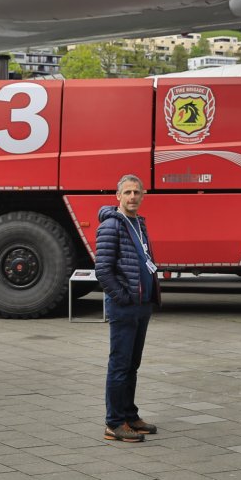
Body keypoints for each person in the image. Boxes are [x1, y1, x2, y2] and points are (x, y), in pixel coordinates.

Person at [94, 175, 161, 443]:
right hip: (125, 306)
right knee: (120, 365)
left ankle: (129, 415)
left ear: (143, 195)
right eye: (128, 192)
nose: (132, 197)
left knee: (132, 364)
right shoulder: (111, 225)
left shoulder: (138, 223)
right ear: (118, 196)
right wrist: (123, 297)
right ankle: (114, 423)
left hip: (141, 305)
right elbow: (103, 270)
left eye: (137, 192)